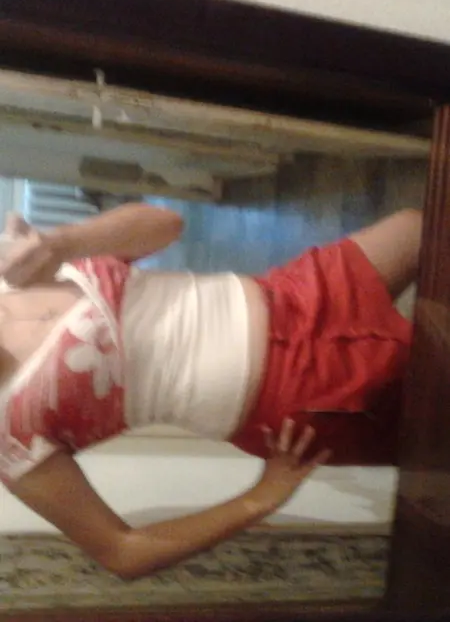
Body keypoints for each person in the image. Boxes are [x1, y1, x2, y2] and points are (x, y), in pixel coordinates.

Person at [0, 203, 420, 580]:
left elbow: (166, 225)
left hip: (288, 293)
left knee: (417, 230)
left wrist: (62, 242)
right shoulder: (10, 434)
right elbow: (122, 552)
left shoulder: (14, 276)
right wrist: (259, 500)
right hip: (291, 391)